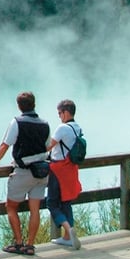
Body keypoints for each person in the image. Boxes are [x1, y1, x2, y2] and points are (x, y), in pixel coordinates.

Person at [0, 91, 50, 256]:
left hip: (23, 171)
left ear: (19, 106)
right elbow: (48, 146)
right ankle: (30, 245)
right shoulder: (44, 123)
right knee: (35, 209)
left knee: (11, 206)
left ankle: (19, 243)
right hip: (42, 171)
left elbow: (6, 144)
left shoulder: (17, 122)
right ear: (34, 104)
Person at [47, 99, 83, 250]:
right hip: (71, 169)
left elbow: (49, 146)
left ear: (66, 112)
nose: (59, 116)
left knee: (52, 203)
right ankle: (68, 238)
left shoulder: (63, 128)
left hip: (58, 170)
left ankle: (68, 229)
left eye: (60, 113)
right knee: (66, 202)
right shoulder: (78, 128)